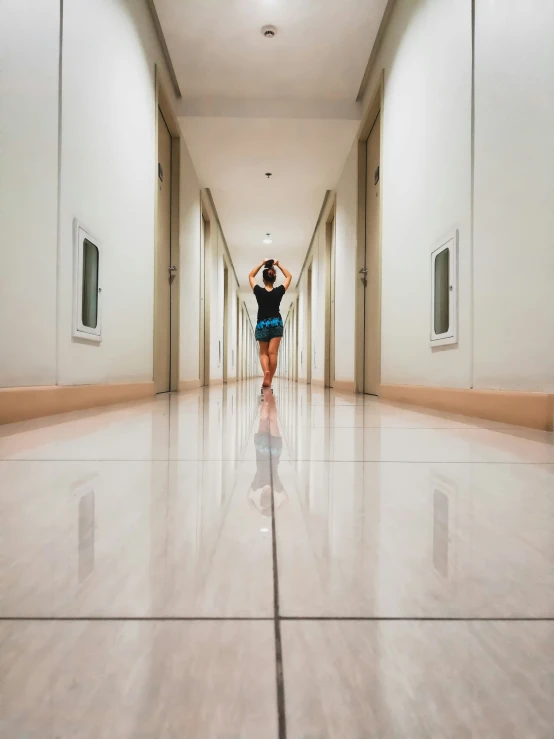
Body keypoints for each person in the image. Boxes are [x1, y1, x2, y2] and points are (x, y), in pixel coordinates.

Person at [248, 257, 292, 390]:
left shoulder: (258, 291)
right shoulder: (278, 291)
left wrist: (261, 263)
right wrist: (278, 264)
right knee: (273, 353)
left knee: (263, 353)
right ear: (274, 279)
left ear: (263, 279)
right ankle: (270, 379)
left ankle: (266, 372)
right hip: (276, 322)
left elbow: (250, 275)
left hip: (262, 323)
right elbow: (289, 276)